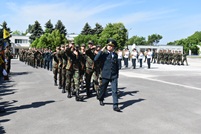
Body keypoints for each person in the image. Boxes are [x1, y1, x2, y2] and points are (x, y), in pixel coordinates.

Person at [94, 38, 121, 112]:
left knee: (114, 91)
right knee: (103, 89)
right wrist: (101, 51)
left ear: (113, 47)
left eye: (111, 46)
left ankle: (115, 105)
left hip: (113, 76)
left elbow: (116, 66)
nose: (110, 47)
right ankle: (101, 98)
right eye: (108, 45)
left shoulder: (115, 55)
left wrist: (117, 75)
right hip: (105, 75)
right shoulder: (104, 54)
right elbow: (95, 59)